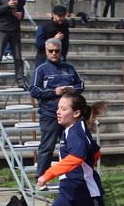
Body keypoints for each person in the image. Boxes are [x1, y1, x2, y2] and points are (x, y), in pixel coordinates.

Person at [30, 38, 84, 185]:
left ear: (61, 51)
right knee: (47, 147)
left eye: (57, 51)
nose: (54, 53)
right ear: (46, 52)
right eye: (51, 51)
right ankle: (40, 179)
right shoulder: (41, 69)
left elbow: (81, 84)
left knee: (71, 147)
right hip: (50, 114)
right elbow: (34, 90)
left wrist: (74, 89)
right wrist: (54, 91)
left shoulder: (69, 68)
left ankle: (71, 178)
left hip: (69, 116)